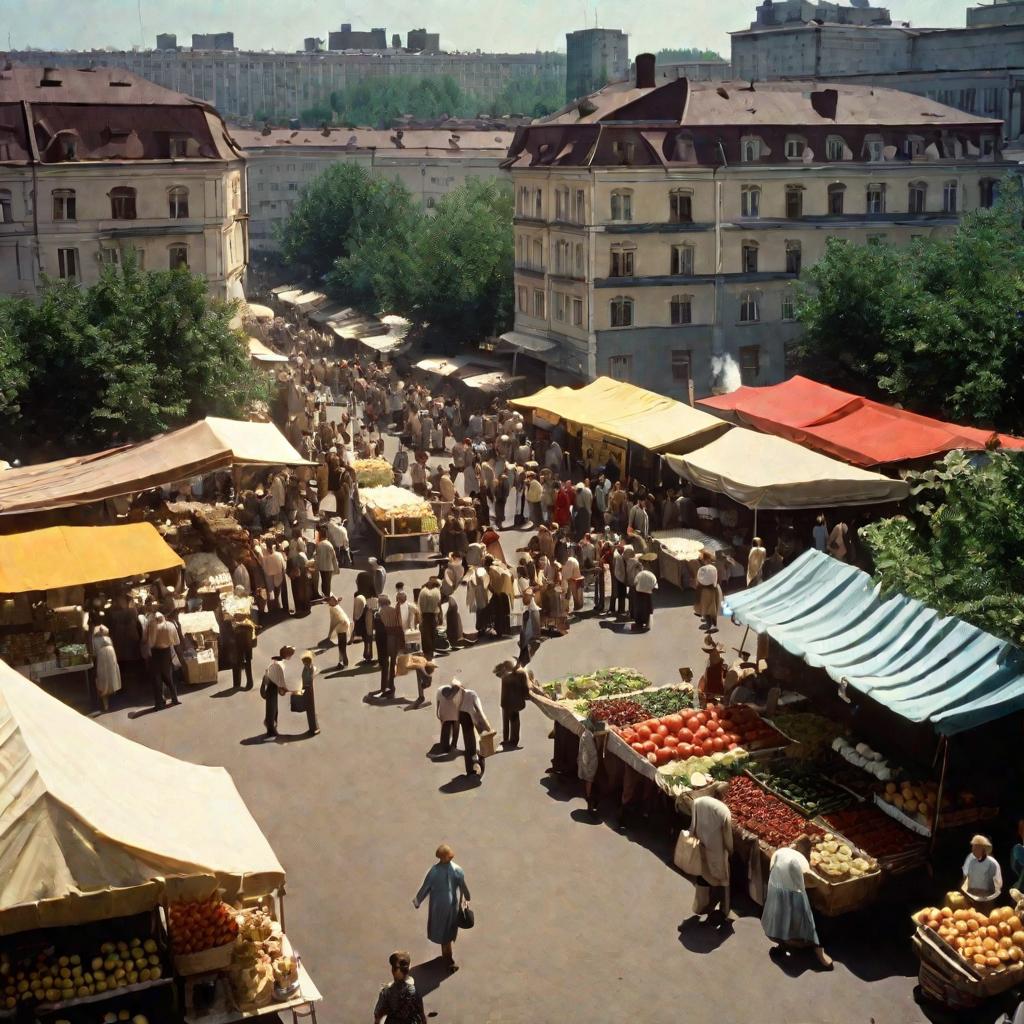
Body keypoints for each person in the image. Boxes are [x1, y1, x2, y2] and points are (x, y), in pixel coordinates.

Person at [761, 835, 832, 969]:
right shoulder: (804, 865)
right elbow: (819, 885)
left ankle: (786, 945)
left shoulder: (781, 852)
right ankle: (814, 949)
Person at [412, 844, 471, 974]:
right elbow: (463, 886)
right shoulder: (457, 870)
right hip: (451, 907)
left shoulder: (434, 871)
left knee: (444, 932)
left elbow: (425, 888)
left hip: (438, 907)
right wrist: (467, 896)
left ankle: (447, 957)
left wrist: (417, 901)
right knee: (447, 933)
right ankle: (448, 959)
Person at [689, 793, 733, 918]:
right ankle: (722, 909)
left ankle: (699, 907)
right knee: (722, 879)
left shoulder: (698, 801)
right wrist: (730, 850)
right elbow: (727, 838)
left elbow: (693, 824)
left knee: (702, 876)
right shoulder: (724, 812)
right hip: (716, 851)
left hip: (700, 845)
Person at [373, 951, 426, 1024]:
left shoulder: (386, 992)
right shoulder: (414, 991)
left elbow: (377, 1014)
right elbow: (421, 1014)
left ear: (394, 971)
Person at [147, 612, 181, 710]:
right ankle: (174, 698)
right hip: (167, 652)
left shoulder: (153, 627)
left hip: (156, 653)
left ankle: (159, 702)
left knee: (157, 678)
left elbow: (150, 642)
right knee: (169, 676)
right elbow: (176, 641)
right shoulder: (170, 625)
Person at [261, 645, 293, 738]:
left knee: (273, 708)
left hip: (271, 687)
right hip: (272, 688)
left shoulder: (275, 663)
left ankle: (271, 725)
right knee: (272, 709)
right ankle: (270, 729)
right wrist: (285, 689)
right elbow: (280, 679)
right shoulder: (280, 665)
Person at [496, 660, 530, 748]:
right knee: (514, 721)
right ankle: (513, 741)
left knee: (506, 720)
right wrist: (527, 696)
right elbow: (525, 689)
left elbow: (497, 673)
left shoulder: (505, 676)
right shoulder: (521, 674)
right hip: (514, 703)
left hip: (505, 701)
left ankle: (506, 739)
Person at [962, 834, 1003, 902]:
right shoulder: (971, 861)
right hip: (971, 898)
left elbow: (998, 883)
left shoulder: (992, 863)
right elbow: (966, 877)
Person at [91, 624, 122, 712]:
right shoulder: (108, 639)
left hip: (103, 658)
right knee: (110, 677)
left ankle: (106, 704)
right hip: (110, 656)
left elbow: (94, 653)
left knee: (103, 678)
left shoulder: (95, 640)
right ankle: (109, 701)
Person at [695, 550, 721, 632]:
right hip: (715, 589)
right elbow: (716, 579)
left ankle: (708, 624)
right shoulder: (714, 568)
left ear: (704, 560)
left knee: (705, 607)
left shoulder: (702, 569)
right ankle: (714, 625)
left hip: (705, 590)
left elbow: (699, 580)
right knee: (713, 608)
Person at [417, 578, 442, 660]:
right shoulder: (437, 591)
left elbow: (419, 605)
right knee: (433, 633)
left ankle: (427, 652)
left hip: (425, 615)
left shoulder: (422, 591)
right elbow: (439, 604)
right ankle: (431, 651)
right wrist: (439, 616)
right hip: (433, 615)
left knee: (425, 634)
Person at [632, 553, 658, 631]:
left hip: (639, 591)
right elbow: (655, 584)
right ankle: (647, 623)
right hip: (648, 592)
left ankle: (639, 623)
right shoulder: (651, 571)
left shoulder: (640, 571)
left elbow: (635, 581)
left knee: (639, 607)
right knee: (648, 608)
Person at [324, 595, 352, 668]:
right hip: (345, 625)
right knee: (343, 646)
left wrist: (330, 634)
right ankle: (344, 662)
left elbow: (333, 622)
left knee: (341, 647)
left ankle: (342, 663)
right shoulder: (337, 606)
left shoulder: (332, 609)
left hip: (341, 626)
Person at [298, 651, 319, 736]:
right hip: (306, 690)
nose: (303, 663)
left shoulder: (310, 669)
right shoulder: (307, 668)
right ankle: (312, 727)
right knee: (309, 710)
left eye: (304, 662)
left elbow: (309, 679)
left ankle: (314, 728)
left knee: (311, 710)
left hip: (309, 690)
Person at [314, 529, 339, 598]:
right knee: (327, 582)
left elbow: (316, 556)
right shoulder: (329, 544)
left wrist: (316, 566)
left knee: (323, 581)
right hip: (329, 567)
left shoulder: (319, 545)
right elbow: (334, 557)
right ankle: (327, 596)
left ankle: (324, 595)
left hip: (322, 567)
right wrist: (336, 567)